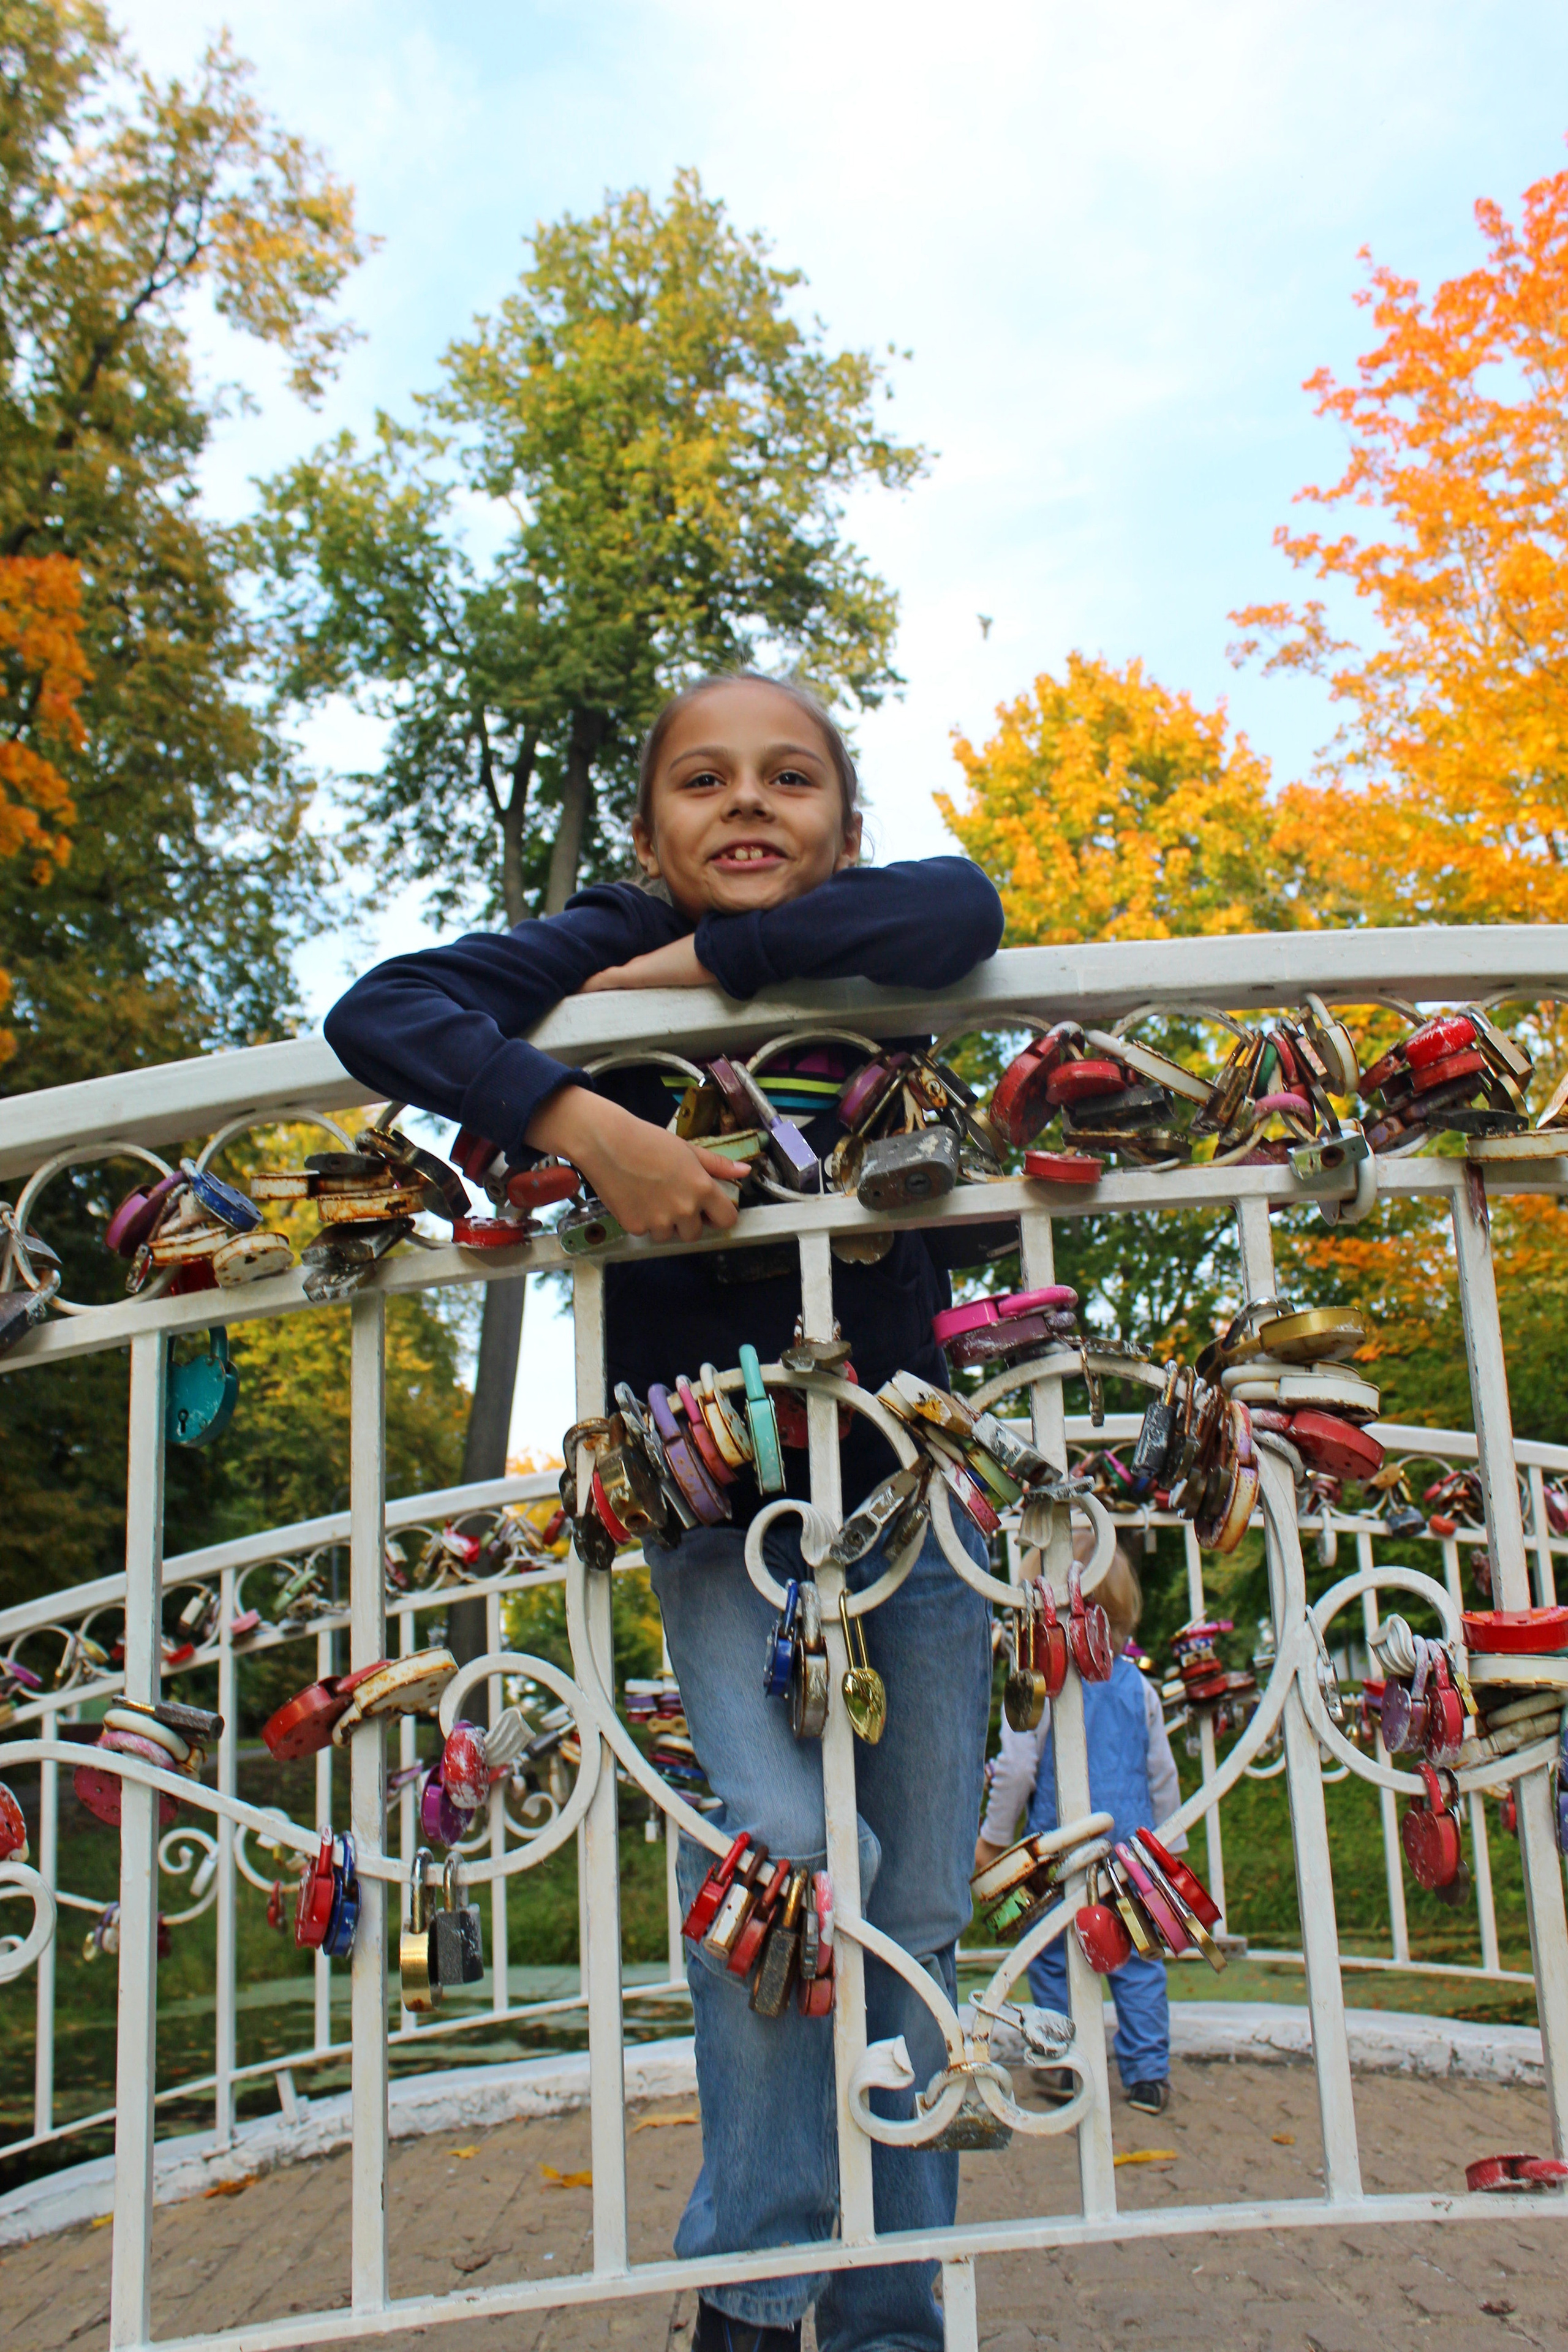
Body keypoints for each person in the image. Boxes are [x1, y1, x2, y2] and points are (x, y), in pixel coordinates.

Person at [326, 673, 1011, 2352]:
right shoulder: (588, 956)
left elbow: (968, 900)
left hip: (913, 1485)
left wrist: (710, 967)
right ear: (649, 835)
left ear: (845, 827)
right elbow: (386, 1008)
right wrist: (584, 1115)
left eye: (792, 779)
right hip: (722, 1510)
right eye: (702, 783)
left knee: (916, 1906)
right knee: (783, 1861)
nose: (747, 805)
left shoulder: (873, 939)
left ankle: (887, 2311)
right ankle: (757, 2301)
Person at [974, 1540, 1184, 2117]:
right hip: (1134, 1852)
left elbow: (1016, 1770)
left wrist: (993, 1838)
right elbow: (1160, 1774)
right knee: (1138, 1956)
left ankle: (1063, 2064)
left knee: (1051, 1955)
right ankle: (1147, 2075)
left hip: (1061, 1850)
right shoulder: (1138, 1688)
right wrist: (1172, 1844)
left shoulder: (1040, 1688)